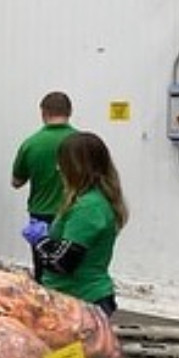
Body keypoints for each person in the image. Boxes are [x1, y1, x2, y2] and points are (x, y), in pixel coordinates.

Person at [22, 132, 126, 317]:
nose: (58, 169)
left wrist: (40, 241)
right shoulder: (89, 200)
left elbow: (63, 263)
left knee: (72, 348)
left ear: (76, 167)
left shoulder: (88, 207)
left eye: (62, 163)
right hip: (72, 299)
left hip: (81, 302)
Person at [12, 91, 76, 282]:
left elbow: (16, 182)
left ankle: (44, 307)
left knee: (43, 270)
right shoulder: (80, 143)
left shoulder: (31, 144)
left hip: (41, 216)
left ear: (43, 112)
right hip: (73, 212)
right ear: (70, 111)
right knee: (71, 267)